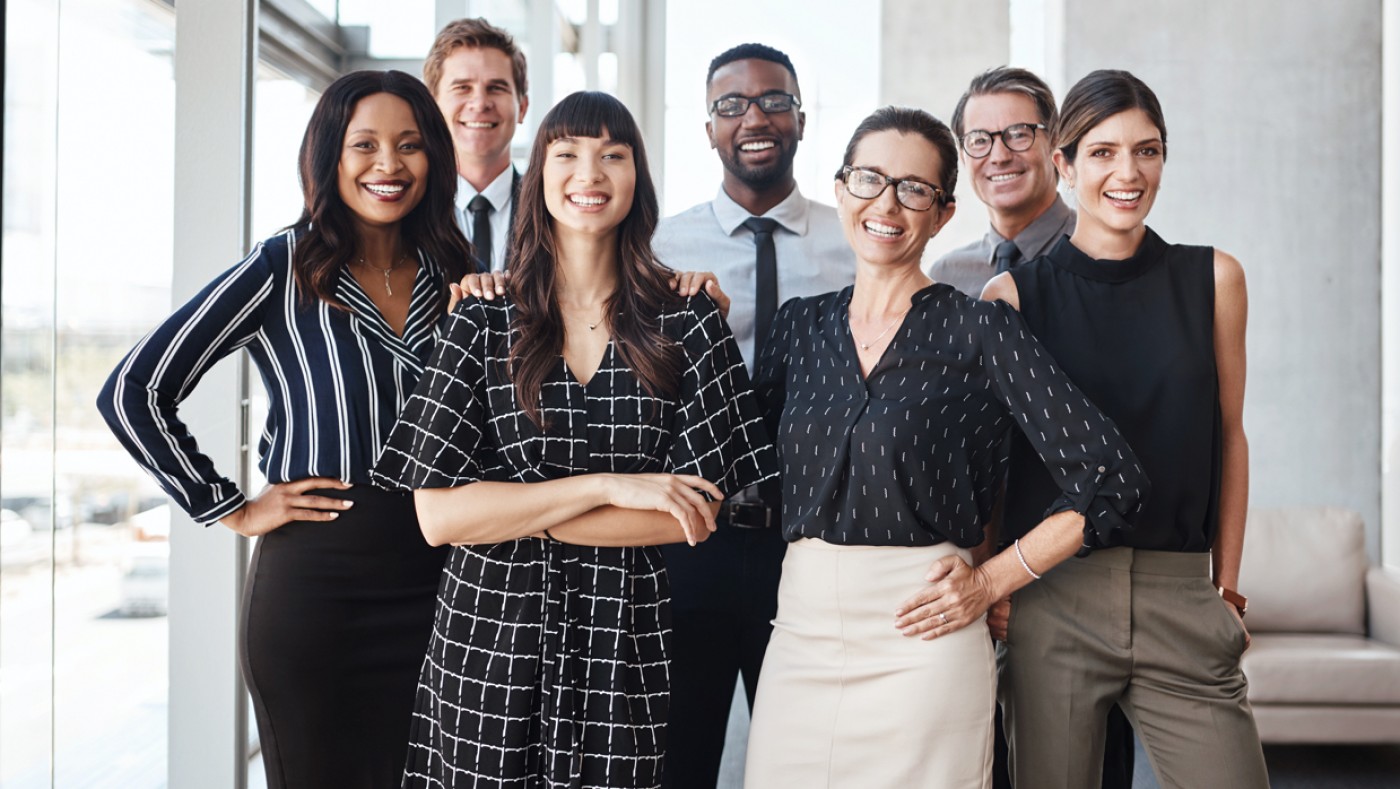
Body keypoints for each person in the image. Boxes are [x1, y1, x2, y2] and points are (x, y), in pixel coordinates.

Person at [370, 91, 777, 789]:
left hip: (625, 643)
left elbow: (690, 516)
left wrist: (511, 512)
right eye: (567, 155)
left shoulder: (689, 322)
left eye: (611, 155)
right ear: (540, 177)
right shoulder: (480, 319)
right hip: (487, 635)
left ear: (636, 179)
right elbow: (439, 517)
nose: (589, 174)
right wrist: (610, 488)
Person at [744, 106, 1149, 788]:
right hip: (801, 635)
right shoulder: (797, 328)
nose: (887, 203)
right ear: (841, 188)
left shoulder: (981, 330)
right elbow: (739, 467)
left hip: (924, 637)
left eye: (914, 188)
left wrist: (993, 580)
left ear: (943, 213)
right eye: (869, 179)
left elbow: (1113, 478)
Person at [97, 71, 472, 788]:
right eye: (364, 144)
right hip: (317, 590)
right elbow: (133, 389)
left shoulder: (456, 271)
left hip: (445, 581)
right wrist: (230, 504)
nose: (388, 165)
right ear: (330, 157)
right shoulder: (284, 265)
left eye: (410, 145)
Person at [983, 69, 1268, 789]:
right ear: (1065, 165)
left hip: (1180, 595)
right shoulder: (1012, 297)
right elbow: (995, 463)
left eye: (1147, 151)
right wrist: (1000, 586)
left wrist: (1226, 590)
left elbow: (1229, 436)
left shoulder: (1214, 280)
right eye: (1103, 152)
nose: (1128, 172)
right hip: (1056, 598)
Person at [932, 66, 1136, 789]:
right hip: (975, 562)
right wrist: (983, 571)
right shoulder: (946, 276)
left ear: (1055, 146)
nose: (1000, 153)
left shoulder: (1110, 259)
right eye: (979, 138)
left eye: (1019, 132)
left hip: (1081, 565)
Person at [655, 43, 852, 788]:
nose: (754, 117)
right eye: (731, 105)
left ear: (801, 118)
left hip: (808, 543)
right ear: (709, 129)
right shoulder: (657, 247)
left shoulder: (855, 241)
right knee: (679, 758)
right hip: (687, 543)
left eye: (773, 100)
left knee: (807, 762)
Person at [424, 17, 528, 272]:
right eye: (462, 88)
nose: (480, 103)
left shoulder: (551, 208)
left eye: (496, 88)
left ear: (522, 108)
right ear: (431, 106)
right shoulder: (407, 209)